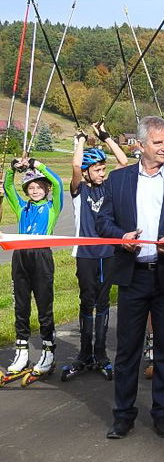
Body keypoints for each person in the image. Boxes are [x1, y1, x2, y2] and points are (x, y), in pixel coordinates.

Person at [97, 116, 164, 439]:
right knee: (127, 350)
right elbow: (102, 223)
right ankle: (123, 416)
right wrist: (121, 236)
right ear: (140, 145)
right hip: (133, 277)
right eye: (158, 143)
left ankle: (162, 415)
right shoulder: (118, 181)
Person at [62, 123, 128, 382]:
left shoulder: (109, 186)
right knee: (86, 302)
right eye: (98, 170)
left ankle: (100, 355)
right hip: (86, 254)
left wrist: (106, 137)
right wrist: (79, 140)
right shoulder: (80, 191)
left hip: (108, 253)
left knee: (102, 304)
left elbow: (123, 162)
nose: (102, 172)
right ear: (88, 173)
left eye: (103, 169)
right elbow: (76, 168)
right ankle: (83, 354)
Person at [1, 156, 64, 386]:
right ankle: (22, 352)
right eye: (31, 187)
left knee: (44, 307)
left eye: (39, 187)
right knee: (21, 306)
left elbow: (57, 182)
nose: (35, 190)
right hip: (20, 258)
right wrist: (13, 169)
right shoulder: (22, 207)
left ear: (45, 189)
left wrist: (37, 165)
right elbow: (8, 188)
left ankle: (48, 352)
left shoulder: (52, 206)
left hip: (41, 258)